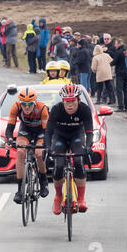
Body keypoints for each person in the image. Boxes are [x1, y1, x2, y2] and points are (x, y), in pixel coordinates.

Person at [44, 84, 93, 215]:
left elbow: (89, 132)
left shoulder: (85, 110)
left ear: (78, 100)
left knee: (78, 160)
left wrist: (88, 146)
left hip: (77, 135)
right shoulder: (56, 109)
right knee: (58, 165)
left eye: (73, 101)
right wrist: (48, 147)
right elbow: (48, 131)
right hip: (59, 136)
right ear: (62, 101)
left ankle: (81, 199)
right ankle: (58, 196)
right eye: (67, 102)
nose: (70, 105)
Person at [5, 87, 49, 203]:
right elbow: (10, 128)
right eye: (24, 104)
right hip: (26, 130)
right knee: (20, 152)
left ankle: (44, 181)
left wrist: (46, 145)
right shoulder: (16, 107)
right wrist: (9, 139)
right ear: (21, 103)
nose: (27, 107)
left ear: (34, 103)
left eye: (30, 104)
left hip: (41, 131)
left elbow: (47, 131)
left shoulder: (42, 108)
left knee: (39, 154)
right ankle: (20, 190)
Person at [111, 39, 127, 112]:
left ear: (119, 44)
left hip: (120, 73)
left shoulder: (118, 52)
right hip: (126, 73)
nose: (115, 45)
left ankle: (120, 106)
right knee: (126, 90)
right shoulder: (125, 50)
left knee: (119, 90)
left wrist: (109, 63)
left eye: (115, 43)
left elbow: (114, 62)